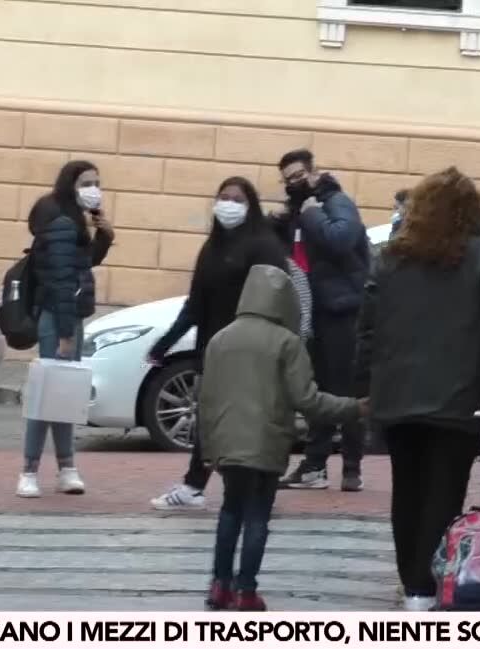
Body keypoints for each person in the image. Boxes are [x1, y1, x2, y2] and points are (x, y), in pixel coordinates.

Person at [353, 168, 480, 611]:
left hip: (399, 393)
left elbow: (368, 330)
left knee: (407, 489)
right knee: (444, 492)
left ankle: (413, 584)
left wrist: (365, 384)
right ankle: (427, 584)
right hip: (459, 396)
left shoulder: (390, 260)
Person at [199, 263, 366, 610]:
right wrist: (354, 408)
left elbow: (207, 400)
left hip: (227, 444)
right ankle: (246, 591)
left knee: (231, 510)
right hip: (268, 441)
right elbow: (307, 400)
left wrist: (209, 447)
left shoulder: (220, 339)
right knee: (258, 515)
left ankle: (219, 584)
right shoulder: (288, 343)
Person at [147, 177, 289, 510]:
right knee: (210, 420)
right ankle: (194, 487)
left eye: (237, 199)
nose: (228, 204)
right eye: (223, 197)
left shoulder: (263, 245)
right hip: (212, 349)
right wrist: (163, 345)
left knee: (244, 422)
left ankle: (246, 488)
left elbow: (278, 297)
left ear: (250, 205)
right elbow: (195, 304)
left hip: (251, 351)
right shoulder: (212, 248)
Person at [272, 149, 370, 492]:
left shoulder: (334, 202)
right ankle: (315, 466)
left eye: (299, 176)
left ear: (314, 173)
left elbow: (343, 239)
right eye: (287, 180)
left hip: (343, 311)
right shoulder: (299, 213)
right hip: (316, 313)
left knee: (346, 388)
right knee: (319, 391)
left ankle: (351, 467)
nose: (293, 183)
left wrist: (312, 215)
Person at [17, 160, 114, 498]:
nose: (93, 188)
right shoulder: (60, 220)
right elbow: (60, 280)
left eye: (97, 182)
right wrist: (64, 332)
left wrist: (104, 233)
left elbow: (82, 264)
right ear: (70, 184)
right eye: (86, 182)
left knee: (63, 395)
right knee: (48, 395)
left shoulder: (72, 218)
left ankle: (66, 468)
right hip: (58, 317)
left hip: (68, 316)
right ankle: (30, 471)